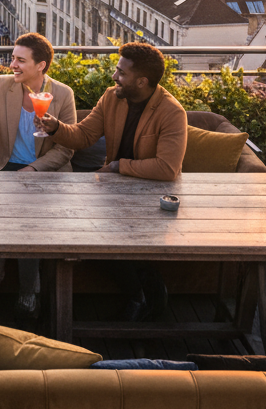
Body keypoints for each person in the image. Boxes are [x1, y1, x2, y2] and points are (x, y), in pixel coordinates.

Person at [36, 41, 189, 321]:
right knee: (84, 231)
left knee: (104, 234)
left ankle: (139, 295)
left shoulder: (171, 112)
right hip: (114, 192)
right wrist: (55, 127)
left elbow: (168, 168)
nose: (114, 76)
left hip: (151, 196)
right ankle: (146, 291)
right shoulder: (111, 98)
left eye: (121, 73)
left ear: (142, 81)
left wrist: (119, 166)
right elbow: (83, 136)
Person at [0, 32, 76, 316]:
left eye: (21, 60)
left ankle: (11, 279)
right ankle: (17, 282)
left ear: (41, 65)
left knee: (28, 219)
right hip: (3, 167)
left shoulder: (62, 94)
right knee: (13, 212)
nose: (13, 64)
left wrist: (33, 169)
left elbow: (66, 148)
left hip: (43, 170)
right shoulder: (3, 85)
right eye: (13, 58)